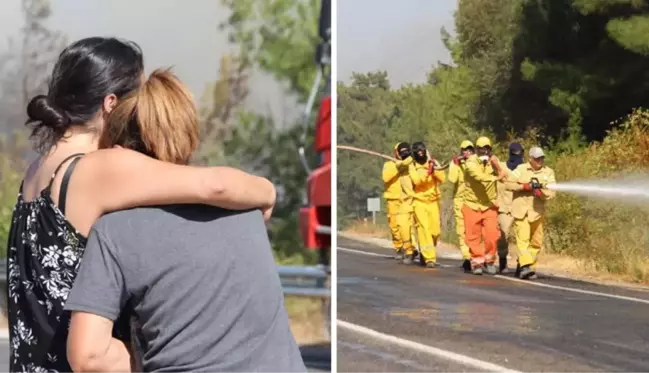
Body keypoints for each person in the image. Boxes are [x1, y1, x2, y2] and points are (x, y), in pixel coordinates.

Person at [6, 37, 276, 373]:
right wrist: (266, 191)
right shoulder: (95, 168)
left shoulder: (36, 171)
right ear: (110, 102)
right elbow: (215, 185)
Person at [65, 69, 306, 373]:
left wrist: (146, 358)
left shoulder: (114, 231)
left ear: (118, 149)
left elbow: (88, 356)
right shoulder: (246, 210)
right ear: (189, 136)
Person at [506, 146, 556, 279]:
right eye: (537, 158)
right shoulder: (520, 170)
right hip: (521, 211)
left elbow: (552, 193)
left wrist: (540, 193)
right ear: (530, 159)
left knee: (536, 242)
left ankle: (527, 266)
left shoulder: (548, 172)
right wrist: (524, 186)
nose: (540, 160)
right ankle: (525, 267)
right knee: (523, 240)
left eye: (542, 158)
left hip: (537, 212)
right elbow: (509, 184)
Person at [462, 136, 506, 275]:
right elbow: (478, 176)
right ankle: (476, 263)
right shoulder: (470, 162)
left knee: (492, 235)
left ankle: (490, 261)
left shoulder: (493, 161)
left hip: (489, 204)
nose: (483, 151)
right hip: (471, 204)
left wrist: (496, 165)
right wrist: (495, 178)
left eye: (486, 148)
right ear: (476, 149)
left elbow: (505, 176)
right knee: (473, 236)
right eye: (480, 149)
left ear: (490, 149)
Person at [408, 141, 446, 268]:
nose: (420, 153)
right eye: (417, 151)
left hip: (433, 202)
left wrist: (433, 169)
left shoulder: (433, 163)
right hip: (419, 201)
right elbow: (417, 181)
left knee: (435, 231)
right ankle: (429, 258)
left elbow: (442, 179)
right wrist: (427, 172)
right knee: (423, 229)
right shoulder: (412, 165)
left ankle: (426, 251)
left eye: (422, 150)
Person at [382, 142, 415, 261]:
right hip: (393, 199)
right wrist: (399, 166)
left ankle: (410, 248)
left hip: (406, 199)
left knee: (407, 225)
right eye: (399, 151)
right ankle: (399, 247)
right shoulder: (389, 164)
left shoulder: (410, 163)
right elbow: (385, 178)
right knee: (395, 226)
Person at [496, 142, 524, 273]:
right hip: (504, 207)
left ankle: (522, 264)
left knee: (522, 237)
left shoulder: (525, 169)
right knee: (503, 235)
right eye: (514, 153)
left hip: (521, 207)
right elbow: (492, 162)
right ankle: (502, 261)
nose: (517, 157)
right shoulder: (501, 167)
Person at [448, 140, 474, 272]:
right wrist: (455, 165)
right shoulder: (456, 163)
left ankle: (478, 256)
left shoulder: (477, 163)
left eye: (469, 149)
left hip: (474, 201)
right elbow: (452, 179)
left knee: (475, 230)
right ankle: (467, 257)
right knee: (462, 230)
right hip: (460, 200)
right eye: (464, 150)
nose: (467, 152)